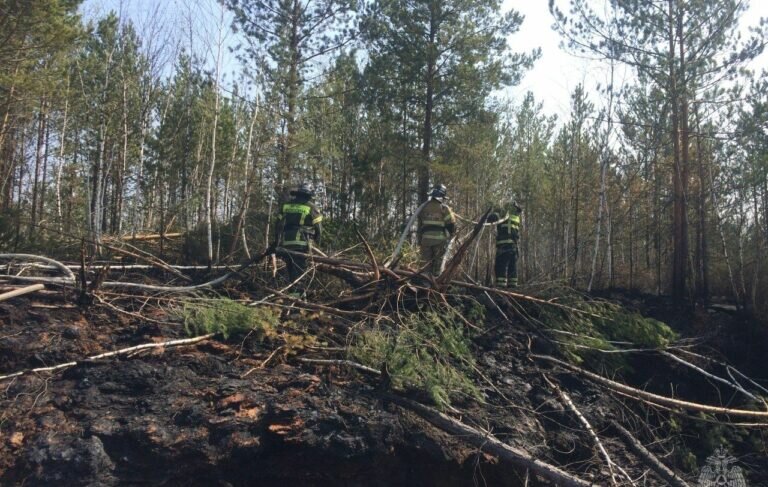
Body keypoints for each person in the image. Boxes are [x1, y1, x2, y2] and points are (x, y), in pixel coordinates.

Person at [273, 182, 323, 290]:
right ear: (309, 195)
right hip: (302, 243)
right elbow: (319, 229)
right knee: (300, 272)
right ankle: (297, 296)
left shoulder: (286, 205)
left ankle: (292, 294)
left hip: (287, 242)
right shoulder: (311, 207)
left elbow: (277, 225)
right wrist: (317, 243)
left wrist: (276, 242)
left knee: (290, 270)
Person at [417, 184, 456, 276]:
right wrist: (451, 234)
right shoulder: (444, 208)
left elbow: (420, 223)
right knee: (438, 264)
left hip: (425, 240)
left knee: (425, 263)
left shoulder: (424, 207)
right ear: (442, 196)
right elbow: (451, 224)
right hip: (439, 240)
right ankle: (436, 280)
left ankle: (424, 281)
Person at [489, 201, 521, 288]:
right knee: (512, 267)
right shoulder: (516, 216)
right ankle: (513, 286)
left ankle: (500, 287)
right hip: (514, 247)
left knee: (500, 266)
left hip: (504, 247)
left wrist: (490, 214)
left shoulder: (504, 215)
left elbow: (493, 217)